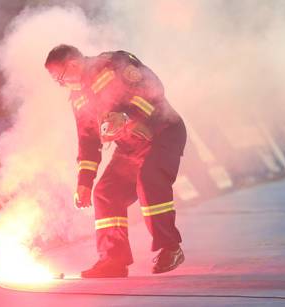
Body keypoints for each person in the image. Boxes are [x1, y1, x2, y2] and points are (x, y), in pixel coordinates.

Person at [45, 44, 187, 278]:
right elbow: (88, 141)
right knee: (105, 193)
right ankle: (113, 260)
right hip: (130, 147)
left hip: (163, 133)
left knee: (149, 181)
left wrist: (127, 116)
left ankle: (170, 248)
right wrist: (84, 182)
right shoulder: (78, 99)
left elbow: (154, 90)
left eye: (60, 78)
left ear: (72, 65)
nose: (61, 85)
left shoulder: (113, 65)